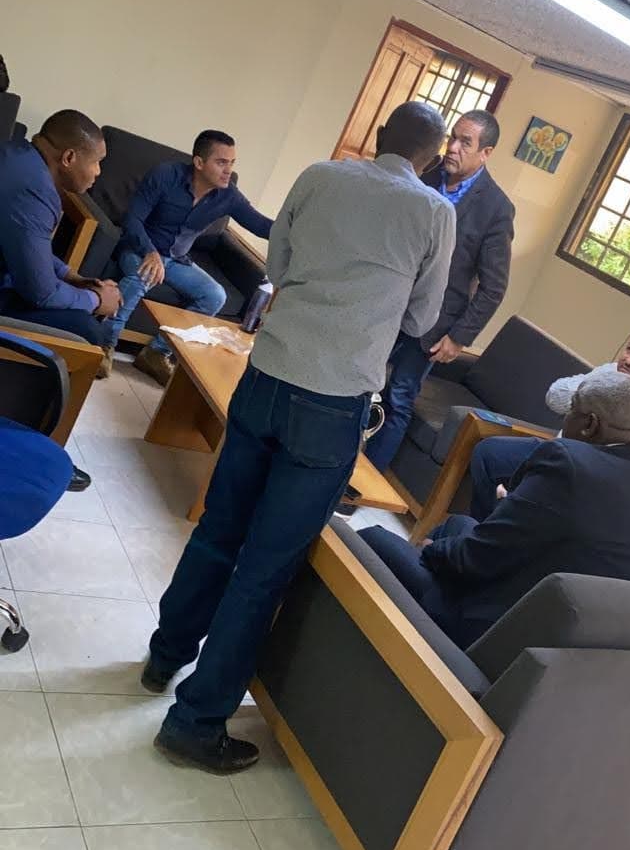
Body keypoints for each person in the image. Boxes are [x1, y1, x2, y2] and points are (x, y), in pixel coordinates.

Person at [142, 101, 456, 774]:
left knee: (218, 530)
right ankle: (195, 722)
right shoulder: (434, 213)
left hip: (267, 374)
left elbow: (278, 262)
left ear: (378, 138)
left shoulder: (320, 174)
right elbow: (423, 316)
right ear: (429, 158)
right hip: (332, 400)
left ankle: (164, 655)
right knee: (263, 569)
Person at [360, 373, 630, 649]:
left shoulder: (570, 461)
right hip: (572, 643)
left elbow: (474, 560)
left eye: (571, 412)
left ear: (589, 424)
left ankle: (399, 633)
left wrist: (434, 554)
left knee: (372, 540)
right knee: (458, 524)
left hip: (498, 633)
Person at [366, 109, 514, 471]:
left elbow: (494, 286)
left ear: (486, 153)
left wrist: (458, 337)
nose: (454, 148)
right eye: (453, 138)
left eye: (466, 142)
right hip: (386, 303)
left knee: (398, 397)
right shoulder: (423, 175)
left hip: (434, 324)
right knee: (360, 380)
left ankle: (359, 485)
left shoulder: (496, 208)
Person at [0, 110, 122, 491]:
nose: (99, 172)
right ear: (69, 157)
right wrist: (97, 302)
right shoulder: (34, 190)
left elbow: (23, 243)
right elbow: (41, 293)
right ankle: (38, 449)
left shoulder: (19, 159)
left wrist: (74, 277)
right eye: (97, 162)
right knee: (85, 331)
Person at [101, 130, 274, 383]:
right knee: (144, 274)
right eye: (222, 162)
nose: (229, 170)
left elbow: (260, 225)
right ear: (199, 163)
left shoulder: (228, 195)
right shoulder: (165, 175)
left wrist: (298, 226)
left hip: (178, 260)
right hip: (139, 249)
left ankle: (156, 353)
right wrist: (150, 251)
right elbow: (133, 219)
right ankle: (104, 344)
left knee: (215, 296)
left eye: (232, 163)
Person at [470, 324, 630, 521]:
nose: (629, 360)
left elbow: (621, 487)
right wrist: (592, 396)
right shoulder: (614, 373)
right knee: (488, 453)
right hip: (556, 452)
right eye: (629, 349)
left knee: (533, 494)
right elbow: (555, 396)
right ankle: (485, 530)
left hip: (587, 485)